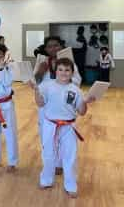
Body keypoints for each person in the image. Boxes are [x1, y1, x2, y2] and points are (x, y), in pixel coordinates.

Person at [32, 58, 96, 198]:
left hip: (68, 126)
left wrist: (85, 102)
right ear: (56, 71)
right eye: (60, 69)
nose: (63, 73)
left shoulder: (76, 90)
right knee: (48, 153)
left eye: (67, 70)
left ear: (72, 72)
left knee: (70, 155)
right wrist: (36, 91)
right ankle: (46, 180)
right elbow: (40, 104)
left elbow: (82, 111)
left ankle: (71, 185)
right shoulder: (47, 85)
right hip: (50, 125)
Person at [33, 36, 82, 174]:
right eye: (49, 46)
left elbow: (77, 82)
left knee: (63, 136)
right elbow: (35, 82)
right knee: (46, 135)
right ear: (46, 49)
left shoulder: (69, 63)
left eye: (56, 45)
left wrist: (63, 76)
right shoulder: (42, 62)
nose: (53, 48)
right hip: (45, 104)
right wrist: (41, 71)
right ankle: (49, 164)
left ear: (61, 47)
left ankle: (60, 164)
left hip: (63, 106)